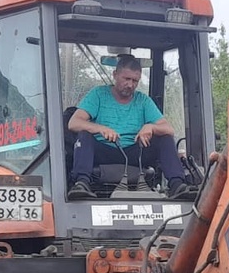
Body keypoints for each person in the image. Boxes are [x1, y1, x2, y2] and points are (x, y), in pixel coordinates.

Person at [66, 54, 197, 200]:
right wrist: (101, 128)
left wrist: (151, 127)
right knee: (84, 135)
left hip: (135, 152)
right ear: (115, 75)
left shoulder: (143, 101)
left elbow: (169, 129)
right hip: (103, 150)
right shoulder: (98, 95)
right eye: (126, 79)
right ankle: (81, 183)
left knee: (165, 138)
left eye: (135, 81)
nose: (130, 85)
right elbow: (74, 123)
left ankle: (177, 185)